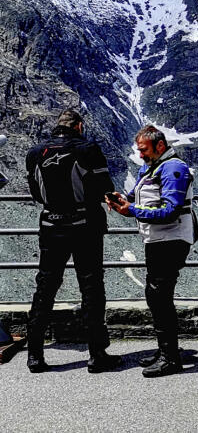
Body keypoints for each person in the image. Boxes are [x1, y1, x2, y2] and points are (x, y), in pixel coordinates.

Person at [24, 109, 121, 374]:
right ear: (78, 126)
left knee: (45, 287)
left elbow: (35, 191)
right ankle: (97, 354)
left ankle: (34, 355)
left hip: (50, 225)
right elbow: (104, 187)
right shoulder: (87, 148)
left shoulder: (35, 152)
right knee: (91, 287)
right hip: (84, 225)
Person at [105, 125, 196, 378]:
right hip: (157, 239)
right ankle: (165, 351)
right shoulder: (150, 167)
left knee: (159, 295)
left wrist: (131, 211)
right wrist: (120, 198)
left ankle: (170, 358)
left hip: (172, 238)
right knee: (156, 296)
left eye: (143, 150)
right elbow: (135, 196)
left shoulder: (173, 168)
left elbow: (171, 209)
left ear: (159, 146)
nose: (140, 154)